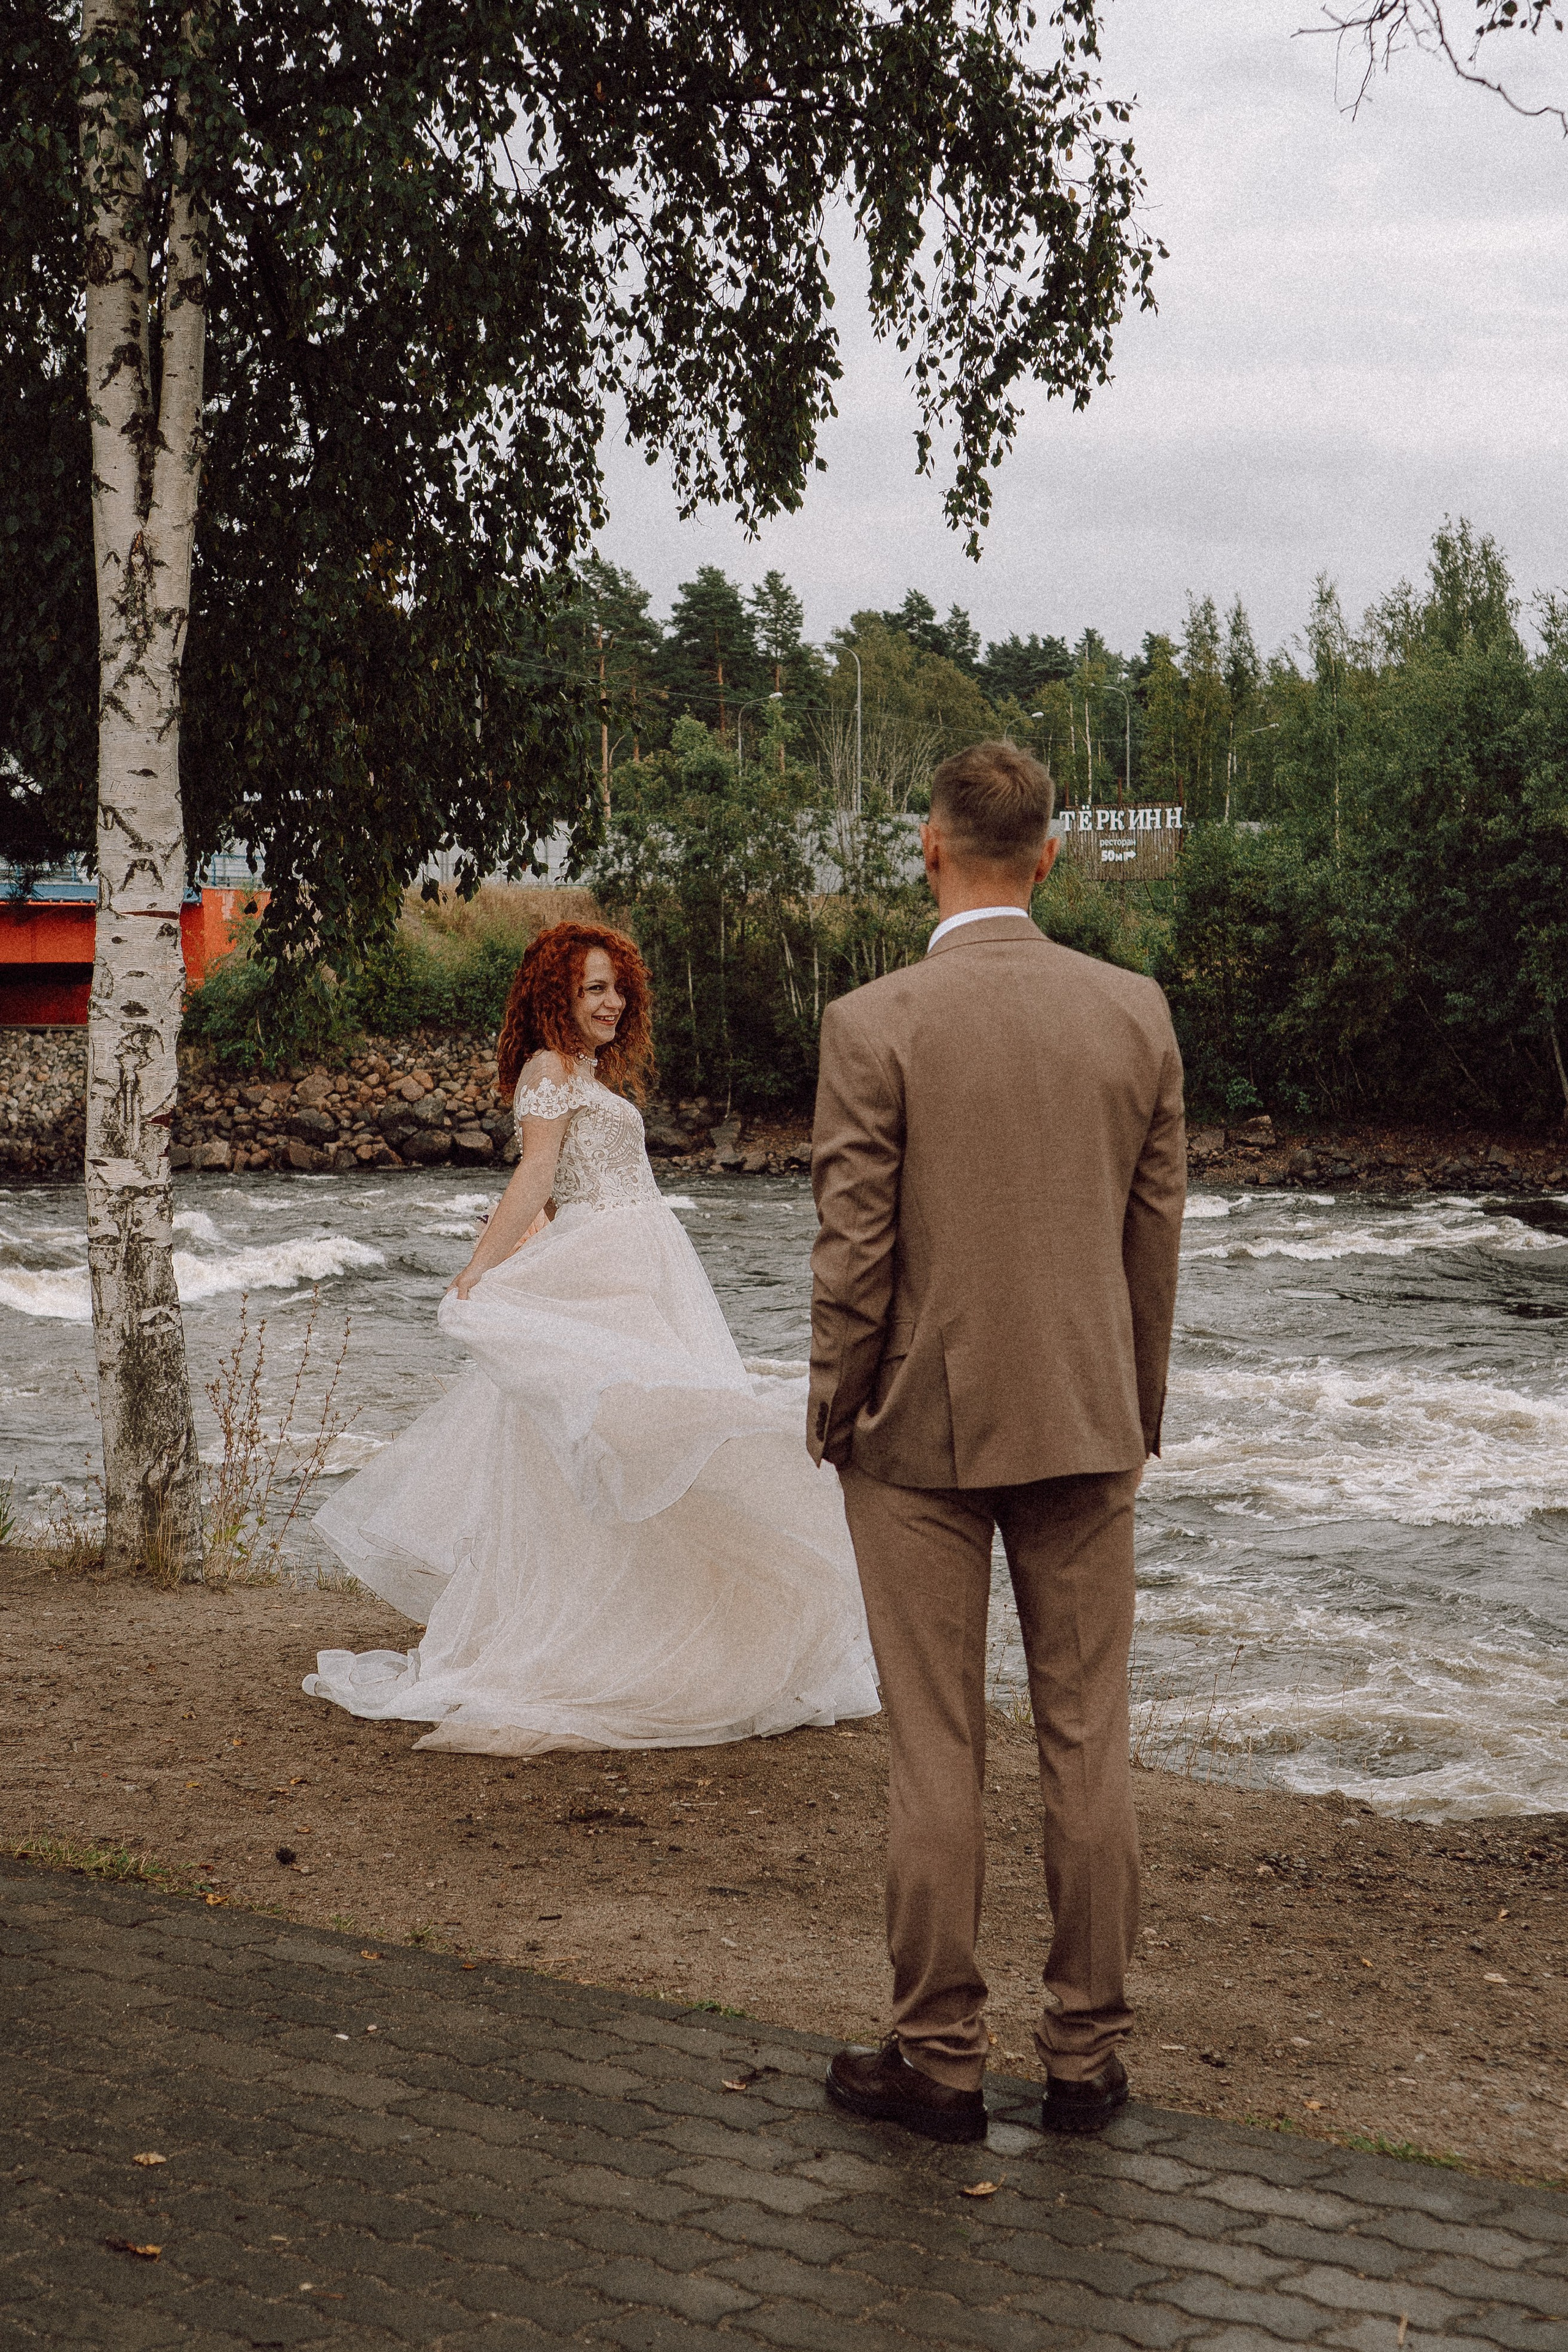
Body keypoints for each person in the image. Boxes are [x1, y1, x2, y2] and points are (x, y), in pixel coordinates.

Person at [810, 741, 1185, 2145]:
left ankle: (938, 2059)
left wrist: (832, 1405)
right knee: (1089, 1744)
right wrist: (1133, 1404)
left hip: (916, 1430)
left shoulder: (874, 1021)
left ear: (928, 845)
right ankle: (1084, 2062)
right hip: (1090, 1418)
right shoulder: (1132, 1013)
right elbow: (1154, 1240)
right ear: (1045, 855)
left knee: (936, 1748)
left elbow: (853, 1249)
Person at [304, 919, 878, 1752]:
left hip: (639, 1269)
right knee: (627, 1437)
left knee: (663, 1437)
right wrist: (478, 1271)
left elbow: (554, 1191)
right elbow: (537, 1175)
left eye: (617, 987)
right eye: (593, 989)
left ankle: (651, 1626)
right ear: (555, 998)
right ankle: (586, 1639)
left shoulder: (589, 1074)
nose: (612, 1002)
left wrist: (531, 1247)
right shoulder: (548, 1070)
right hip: (607, 1266)